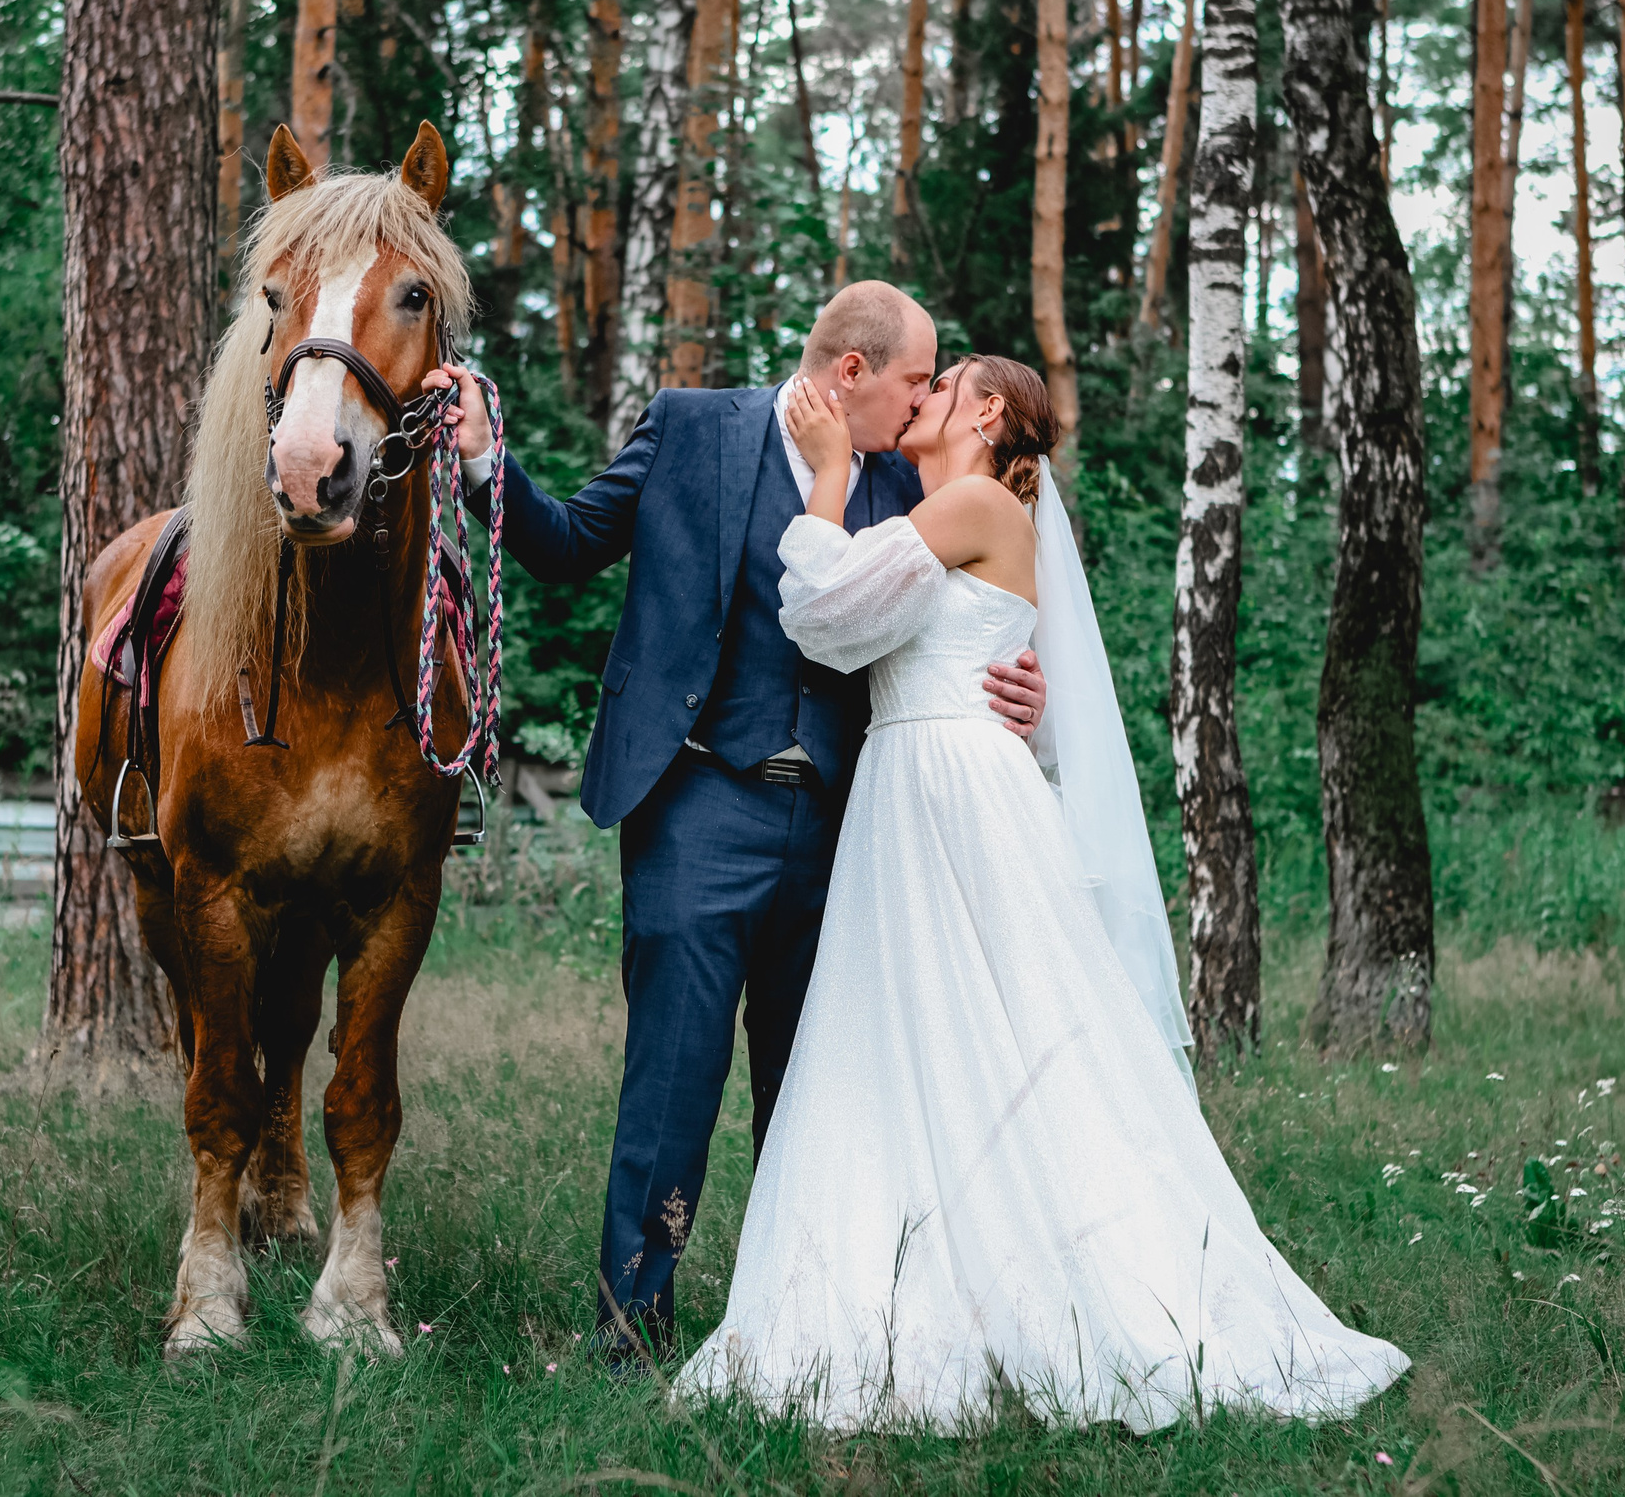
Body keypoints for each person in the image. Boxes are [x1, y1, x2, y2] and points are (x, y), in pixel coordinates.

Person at [672, 355, 1411, 1432]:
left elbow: (823, 612)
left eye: (944, 380)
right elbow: (889, 633)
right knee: (922, 1043)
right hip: (916, 786)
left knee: (1006, 1039)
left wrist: (825, 470)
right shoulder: (952, 508)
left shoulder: (972, 500)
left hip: (952, 791)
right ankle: (922, 1282)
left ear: (985, 414)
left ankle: (1085, 1291)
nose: (917, 393)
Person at [428, 283, 1047, 1357]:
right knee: (671, 1074)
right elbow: (568, 543)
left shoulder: (913, 471)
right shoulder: (687, 426)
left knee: (823, 1085)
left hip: (857, 827)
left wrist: (1017, 687)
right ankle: (634, 1326)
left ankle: (807, 1325)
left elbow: (973, 606)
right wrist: (487, 458)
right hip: (698, 806)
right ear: (848, 373)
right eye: (911, 378)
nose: (920, 401)